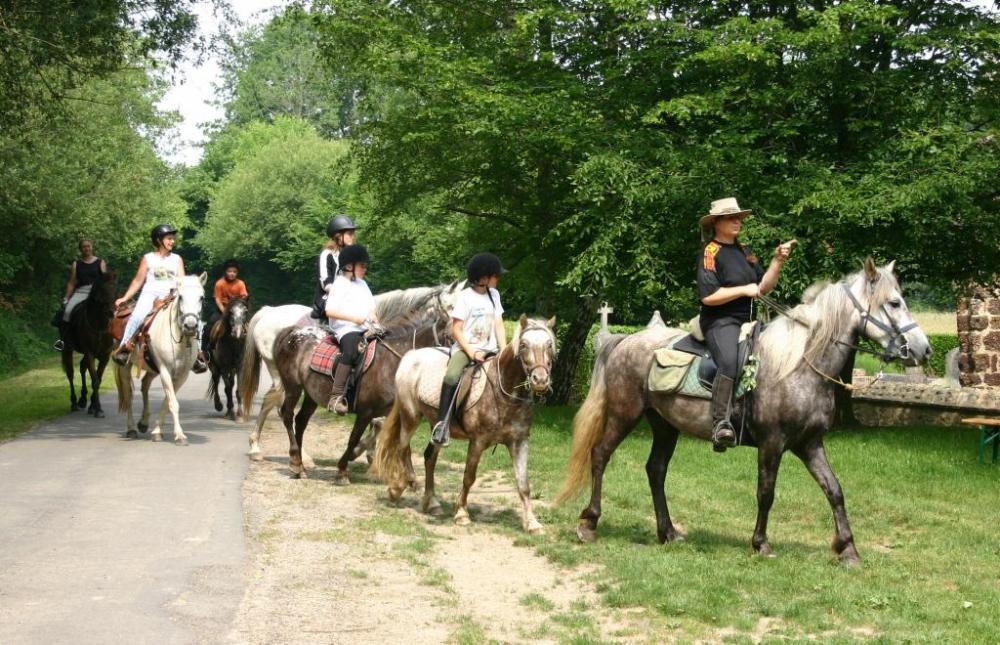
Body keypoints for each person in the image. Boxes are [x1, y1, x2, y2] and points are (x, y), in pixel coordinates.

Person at [697, 197, 795, 451]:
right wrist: (743, 290)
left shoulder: (745, 251)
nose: (737, 221)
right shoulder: (710, 252)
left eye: (739, 217)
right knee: (729, 361)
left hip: (750, 322)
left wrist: (777, 262)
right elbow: (708, 296)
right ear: (717, 223)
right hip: (720, 321)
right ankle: (720, 423)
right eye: (731, 217)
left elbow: (762, 287)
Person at [431, 252, 508, 446]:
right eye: (495, 275)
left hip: (489, 349)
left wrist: (505, 349)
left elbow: (498, 324)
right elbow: (456, 330)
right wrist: (472, 352)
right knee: (451, 376)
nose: (498, 279)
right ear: (484, 277)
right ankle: (442, 425)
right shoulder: (465, 297)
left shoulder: (494, 295)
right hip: (466, 349)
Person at [112, 224, 205, 372]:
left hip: (172, 295)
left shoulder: (177, 259)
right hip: (150, 294)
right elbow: (138, 281)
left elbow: (181, 280)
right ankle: (125, 348)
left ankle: (197, 355)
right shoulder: (148, 258)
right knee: (136, 317)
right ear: (158, 240)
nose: (172, 241)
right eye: (169, 239)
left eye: (173, 239)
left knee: (195, 321)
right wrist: (125, 297)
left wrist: (179, 293)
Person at [324, 244, 378, 414]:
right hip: (346, 329)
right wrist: (354, 319)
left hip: (366, 327)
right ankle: (336, 396)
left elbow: (371, 307)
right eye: (362, 265)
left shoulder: (362, 284)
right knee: (351, 349)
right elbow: (330, 311)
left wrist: (374, 317)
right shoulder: (339, 284)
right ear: (349, 266)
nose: (364, 269)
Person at [53, 239, 108, 351]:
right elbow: (72, 282)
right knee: (67, 312)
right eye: (84, 247)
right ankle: (63, 341)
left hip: (96, 293)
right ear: (80, 249)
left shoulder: (100, 262)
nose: (86, 248)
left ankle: (112, 338)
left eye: (88, 246)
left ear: (92, 247)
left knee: (108, 311)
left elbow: (105, 281)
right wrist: (66, 298)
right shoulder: (76, 264)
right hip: (81, 291)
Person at [199, 259, 249, 363]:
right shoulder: (220, 283)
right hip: (222, 310)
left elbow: (244, 296)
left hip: (237, 310)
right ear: (225, 272)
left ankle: (250, 351)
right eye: (229, 271)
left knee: (248, 328)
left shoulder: (240, 283)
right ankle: (205, 350)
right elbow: (217, 299)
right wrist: (224, 311)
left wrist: (242, 303)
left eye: (234, 272)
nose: (232, 274)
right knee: (209, 326)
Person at [312, 214, 359, 322]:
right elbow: (326, 282)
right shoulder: (327, 254)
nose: (353, 236)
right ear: (339, 235)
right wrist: (343, 294)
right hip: (328, 298)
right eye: (349, 234)